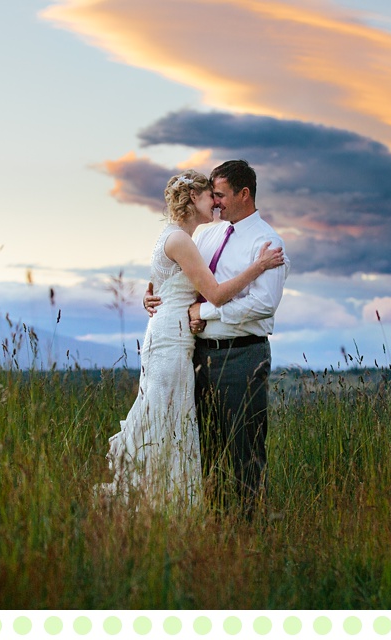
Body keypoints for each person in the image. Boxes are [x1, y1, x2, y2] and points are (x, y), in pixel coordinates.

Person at [99, 169, 285, 506]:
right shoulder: (203, 236)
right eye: (210, 194)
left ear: (244, 194)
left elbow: (263, 304)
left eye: (221, 195)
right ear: (192, 200)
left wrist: (201, 313)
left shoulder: (266, 243)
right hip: (194, 354)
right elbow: (189, 283)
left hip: (240, 356)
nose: (215, 202)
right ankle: (180, 508)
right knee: (197, 441)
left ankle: (245, 527)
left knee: (244, 448)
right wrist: (152, 295)